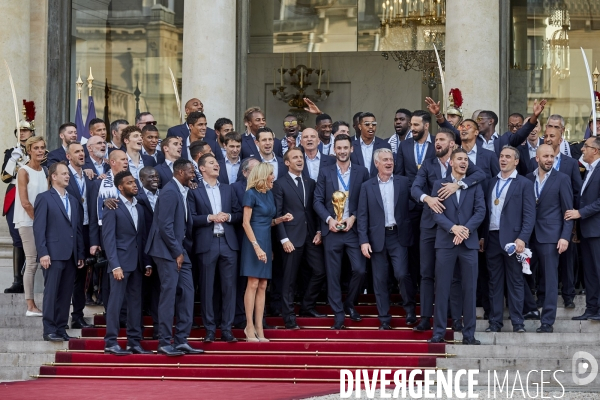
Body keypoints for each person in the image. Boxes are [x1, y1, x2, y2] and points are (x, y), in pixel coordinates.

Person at [411, 128, 486, 331]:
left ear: (451, 144)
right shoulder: (428, 164)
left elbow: (481, 175)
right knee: (428, 274)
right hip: (433, 226)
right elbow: (415, 189)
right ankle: (427, 318)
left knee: (457, 279)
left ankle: (458, 321)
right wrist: (429, 198)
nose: (437, 142)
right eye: (437, 139)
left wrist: (459, 185)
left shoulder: (465, 165)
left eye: (442, 139)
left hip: (461, 231)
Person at [145, 158, 203, 356]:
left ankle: (181, 340)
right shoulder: (170, 191)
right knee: (168, 296)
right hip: (166, 250)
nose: (193, 174)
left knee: (188, 293)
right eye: (190, 171)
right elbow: (165, 226)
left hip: (179, 250)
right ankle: (164, 341)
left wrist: (181, 250)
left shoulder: (181, 190)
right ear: (180, 172)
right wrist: (177, 252)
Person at [429, 148, 486, 345]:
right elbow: (436, 213)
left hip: (468, 243)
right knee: (442, 288)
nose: (464, 162)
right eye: (459, 159)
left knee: (470, 289)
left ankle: (469, 334)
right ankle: (438, 333)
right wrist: (454, 228)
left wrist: (465, 231)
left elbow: (480, 212)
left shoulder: (474, 185)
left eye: (466, 160)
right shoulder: (439, 184)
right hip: (446, 242)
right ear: (451, 163)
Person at [313, 134, 369, 329]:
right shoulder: (325, 172)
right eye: (339, 148)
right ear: (334, 150)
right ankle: (338, 314)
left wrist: (352, 217)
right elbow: (317, 201)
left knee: (360, 270)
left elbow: (366, 200)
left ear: (351, 149)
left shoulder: (362, 172)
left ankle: (349, 303)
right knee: (333, 274)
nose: (343, 151)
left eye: (346, 148)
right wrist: (328, 220)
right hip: (332, 231)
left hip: (353, 231)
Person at [357, 148, 416, 329]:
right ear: (376, 164)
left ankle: (410, 312)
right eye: (385, 160)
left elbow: (414, 203)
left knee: (402, 273)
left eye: (391, 159)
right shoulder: (367, 186)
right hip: (376, 238)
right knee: (380, 279)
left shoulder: (403, 182)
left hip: (398, 235)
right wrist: (363, 241)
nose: (389, 163)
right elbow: (362, 216)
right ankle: (384, 319)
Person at [189, 154, 242, 342]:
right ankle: (210, 329)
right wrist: (209, 218)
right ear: (202, 168)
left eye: (217, 163)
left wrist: (227, 216)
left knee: (229, 288)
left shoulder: (228, 189)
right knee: (206, 288)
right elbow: (191, 218)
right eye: (211, 163)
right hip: (207, 243)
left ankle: (227, 329)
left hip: (228, 243)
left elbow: (238, 214)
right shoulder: (194, 191)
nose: (216, 166)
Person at [483, 146, 536, 332]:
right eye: (501, 156)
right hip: (492, 238)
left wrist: (522, 238)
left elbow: (530, 215)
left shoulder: (524, 183)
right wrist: (483, 236)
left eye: (508, 157)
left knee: (515, 281)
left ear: (516, 161)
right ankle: (495, 323)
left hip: (514, 241)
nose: (503, 160)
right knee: (494, 283)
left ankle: (517, 322)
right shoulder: (491, 182)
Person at [273, 148, 326, 329]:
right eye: (295, 157)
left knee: (319, 271)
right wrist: (283, 239)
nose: (299, 160)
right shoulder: (279, 184)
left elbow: (314, 210)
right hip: (290, 239)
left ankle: (307, 306)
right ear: (287, 163)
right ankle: (288, 318)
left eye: (301, 157)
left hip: (311, 236)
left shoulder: (310, 182)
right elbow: (277, 214)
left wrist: (319, 230)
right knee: (289, 280)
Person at [240, 163, 292, 341]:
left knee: (263, 285)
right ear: (263, 175)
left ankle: (259, 329)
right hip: (253, 242)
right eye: (271, 175)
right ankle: (248, 327)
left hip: (266, 240)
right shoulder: (250, 193)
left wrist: (280, 219)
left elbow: (266, 222)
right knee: (253, 283)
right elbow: (246, 223)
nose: (273, 178)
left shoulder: (269, 194)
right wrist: (256, 246)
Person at [103, 170, 152, 355]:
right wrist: (114, 265)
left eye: (135, 182)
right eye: (130, 182)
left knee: (135, 304)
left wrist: (146, 262)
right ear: (120, 187)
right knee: (115, 304)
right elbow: (108, 239)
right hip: (120, 265)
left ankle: (134, 342)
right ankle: (110, 342)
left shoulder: (139, 207)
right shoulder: (112, 207)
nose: (135, 185)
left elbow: (143, 237)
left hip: (137, 264)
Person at [33, 162, 85, 341]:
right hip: (52, 254)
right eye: (63, 173)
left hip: (71, 255)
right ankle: (49, 329)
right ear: (53, 176)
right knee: (51, 292)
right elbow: (39, 228)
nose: (67, 176)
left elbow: (77, 230)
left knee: (65, 293)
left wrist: (80, 253)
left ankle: (61, 328)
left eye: (68, 174)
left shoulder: (73, 200)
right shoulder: (44, 198)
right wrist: (43, 253)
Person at [524, 145, 573, 332]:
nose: (549, 159)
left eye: (552, 156)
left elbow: (568, 212)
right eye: (545, 156)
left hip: (551, 237)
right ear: (537, 158)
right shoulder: (527, 179)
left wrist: (565, 237)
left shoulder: (562, 179)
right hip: (528, 237)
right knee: (519, 274)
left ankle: (547, 321)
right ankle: (530, 308)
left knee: (551, 280)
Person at [536, 116, 582, 308]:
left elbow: (576, 192)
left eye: (553, 133)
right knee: (543, 264)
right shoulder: (535, 161)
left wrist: (574, 222)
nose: (548, 138)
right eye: (546, 133)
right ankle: (542, 294)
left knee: (566, 260)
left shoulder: (570, 163)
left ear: (561, 134)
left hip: (565, 218)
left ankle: (569, 295)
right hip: (541, 224)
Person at [565, 136, 600, 321]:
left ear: (596, 150)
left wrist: (580, 213)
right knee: (590, 272)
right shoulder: (589, 170)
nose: (582, 149)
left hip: (597, 230)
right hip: (587, 230)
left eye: (586, 146)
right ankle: (591, 308)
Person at [14, 136, 48, 316]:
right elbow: (26, 202)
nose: (40, 151)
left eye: (42, 148)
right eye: (36, 148)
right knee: (32, 261)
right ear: (29, 150)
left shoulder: (45, 171)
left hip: (41, 222)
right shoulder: (23, 171)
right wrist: (39, 221)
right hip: (27, 222)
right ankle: (30, 306)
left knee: (43, 260)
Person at [2, 119, 36, 293]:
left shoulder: (39, 152)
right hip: (15, 195)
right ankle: (17, 280)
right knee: (17, 237)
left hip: (33, 193)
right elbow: (4, 177)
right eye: (19, 130)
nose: (22, 133)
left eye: (25, 130)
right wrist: (13, 162)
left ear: (32, 132)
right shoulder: (11, 153)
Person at [65, 142, 94, 328]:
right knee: (69, 275)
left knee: (82, 276)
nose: (81, 154)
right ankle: (61, 317)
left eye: (82, 151)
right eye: (76, 152)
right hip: (68, 232)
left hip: (86, 230)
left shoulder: (89, 177)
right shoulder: (62, 175)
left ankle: (77, 315)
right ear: (68, 156)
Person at [136, 166, 160, 338]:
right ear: (142, 180)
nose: (155, 179)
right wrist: (146, 260)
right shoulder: (136, 198)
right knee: (140, 294)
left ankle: (159, 329)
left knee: (159, 292)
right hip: (142, 252)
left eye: (156, 177)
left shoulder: (164, 195)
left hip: (162, 251)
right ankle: (139, 330)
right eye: (150, 177)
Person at [351, 112, 392, 178]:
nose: (371, 127)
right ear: (359, 126)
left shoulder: (384, 145)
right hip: (358, 186)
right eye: (367, 124)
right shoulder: (352, 146)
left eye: (374, 124)